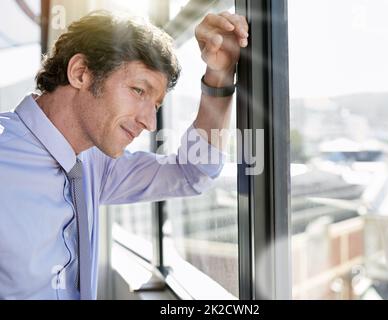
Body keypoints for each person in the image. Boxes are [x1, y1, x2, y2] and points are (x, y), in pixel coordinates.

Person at [0, 11, 248, 300]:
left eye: (155, 105)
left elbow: (194, 172)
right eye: (139, 90)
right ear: (81, 72)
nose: (150, 123)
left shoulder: (95, 164)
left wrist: (219, 74)